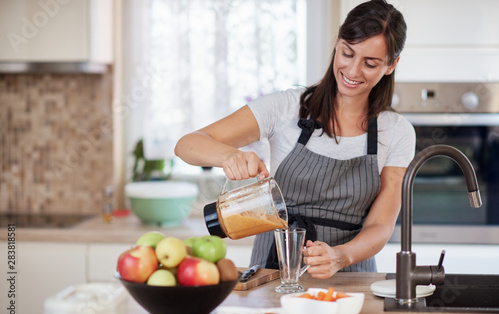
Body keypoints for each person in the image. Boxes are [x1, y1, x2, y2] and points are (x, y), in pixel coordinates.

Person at [175, 0, 415, 279]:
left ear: (391, 65)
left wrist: (340, 255)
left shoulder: (397, 131)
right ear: (337, 44)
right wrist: (229, 156)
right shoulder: (286, 107)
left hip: (351, 276)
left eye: (370, 63)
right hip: (274, 273)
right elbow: (187, 145)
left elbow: (380, 224)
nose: (352, 71)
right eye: (347, 54)